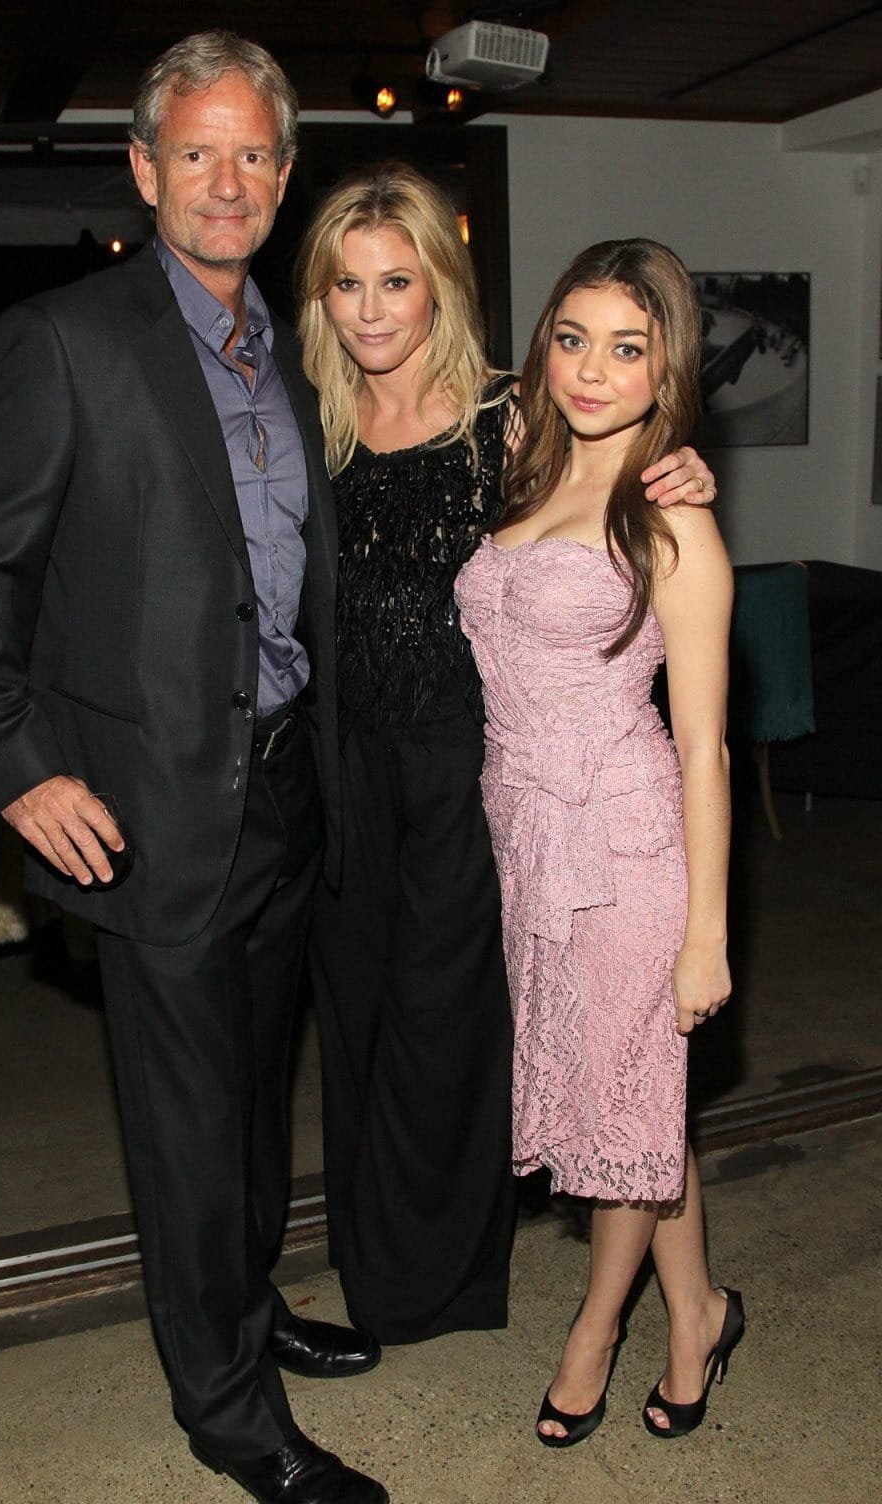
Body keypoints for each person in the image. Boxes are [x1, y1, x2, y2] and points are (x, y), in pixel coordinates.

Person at [0, 31, 386, 1504]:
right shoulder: (63, 339)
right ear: (144, 169)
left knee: (255, 1102)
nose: (226, 180)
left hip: (287, 789)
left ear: (284, 173)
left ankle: (245, 1310)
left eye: (253, 152)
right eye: (196, 151)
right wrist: (17, 770)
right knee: (189, 1129)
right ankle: (228, 1410)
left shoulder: (302, 346)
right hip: (148, 808)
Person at [296, 166, 717, 1346]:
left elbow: (615, 470)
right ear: (320, 298)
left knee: (453, 1031)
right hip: (344, 769)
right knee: (356, 1023)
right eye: (347, 283)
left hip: (473, 771)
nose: (372, 308)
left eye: (397, 280)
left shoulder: (509, 416)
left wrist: (684, 468)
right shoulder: (305, 423)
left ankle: (447, 1284)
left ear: (440, 286)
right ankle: (378, 1271)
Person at [455, 239, 742, 1448]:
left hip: (625, 850)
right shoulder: (519, 464)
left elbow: (705, 747)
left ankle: (595, 1332)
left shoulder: (672, 520)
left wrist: (705, 937)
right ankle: (700, 1313)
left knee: (619, 1113)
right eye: (571, 339)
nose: (591, 369)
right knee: (628, 1102)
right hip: (526, 844)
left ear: (666, 369)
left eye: (627, 349)